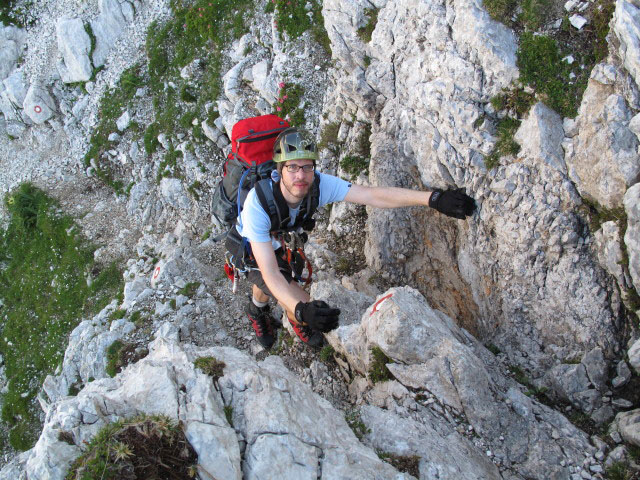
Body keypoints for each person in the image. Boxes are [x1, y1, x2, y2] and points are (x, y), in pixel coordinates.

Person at [230, 127, 476, 349]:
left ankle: (257, 308)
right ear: (279, 169)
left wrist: (432, 199)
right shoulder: (258, 205)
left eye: (307, 167)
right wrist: (302, 311)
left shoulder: (318, 185)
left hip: (279, 237)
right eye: (292, 167)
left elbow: (373, 196)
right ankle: (270, 315)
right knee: (295, 295)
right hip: (251, 244)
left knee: (279, 278)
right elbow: (270, 273)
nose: (300, 176)